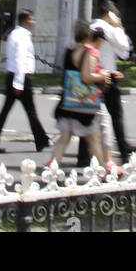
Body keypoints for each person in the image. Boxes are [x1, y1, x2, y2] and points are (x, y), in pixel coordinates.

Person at [0, 10, 49, 155]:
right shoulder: (21, 36)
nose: (33, 22)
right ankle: (41, 139)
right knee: (29, 111)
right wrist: (19, 83)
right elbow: (20, 59)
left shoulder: (18, 34)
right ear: (25, 20)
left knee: (12, 112)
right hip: (20, 78)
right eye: (31, 19)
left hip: (15, 77)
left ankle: (41, 139)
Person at [48, 21, 111, 173]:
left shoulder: (69, 51)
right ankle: (103, 172)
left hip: (68, 102)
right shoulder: (86, 52)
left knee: (64, 139)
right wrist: (102, 75)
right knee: (93, 138)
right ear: (88, 36)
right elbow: (87, 77)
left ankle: (52, 171)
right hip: (83, 105)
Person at [88, 1, 136, 164]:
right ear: (109, 14)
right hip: (107, 76)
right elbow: (124, 46)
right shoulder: (107, 28)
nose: (116, 18)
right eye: (114, 15)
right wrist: (118, 26)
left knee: (89, 115)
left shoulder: (91, 25)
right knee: (115, 115)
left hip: (92, 75)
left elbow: (121, 52)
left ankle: (85, 156)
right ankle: (123, 151)